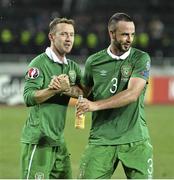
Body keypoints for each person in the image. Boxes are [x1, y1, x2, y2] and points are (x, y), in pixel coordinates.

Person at [77, 12, 153, 179]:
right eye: (125, 34)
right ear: (111, 33)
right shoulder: (94, 62)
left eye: (132, 34)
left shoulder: (140, 58)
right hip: (101, 139)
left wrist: (95, 105)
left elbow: (132, 94)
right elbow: (83, 92)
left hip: (135, 140)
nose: (130, 39)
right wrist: (63, 87)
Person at [20, 17, 83, 179]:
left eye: (72, 34)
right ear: (51, 37)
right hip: (39, 140)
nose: (69, 39)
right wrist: (53, 89)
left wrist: (66, 89)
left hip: (58, 141)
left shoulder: (72, 67)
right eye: (63, 34)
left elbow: (86, 92)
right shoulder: (38, 64)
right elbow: (28, 97)